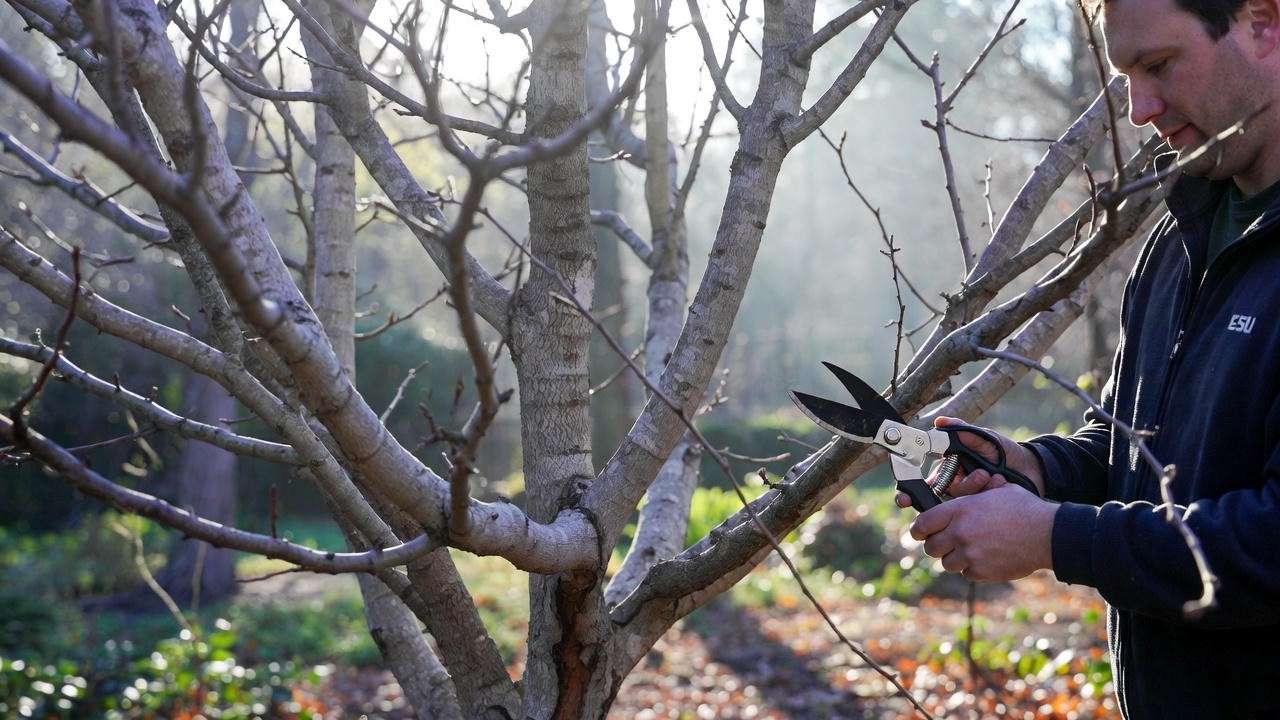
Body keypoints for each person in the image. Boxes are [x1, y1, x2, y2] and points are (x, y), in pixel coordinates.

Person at [894, 0, 1280, 716]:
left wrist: (1055, 536)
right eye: (1126, 75)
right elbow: (1134, 444)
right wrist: (1034, 468)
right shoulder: (1178, 238)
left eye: (1159, 66)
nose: (1139, 109)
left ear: (1262, 21)